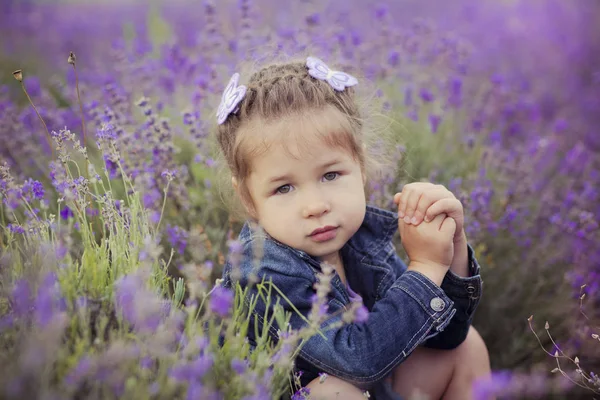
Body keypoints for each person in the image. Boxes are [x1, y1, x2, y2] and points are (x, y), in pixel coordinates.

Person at [216, 56, 491, 400]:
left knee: (465, 350)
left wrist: (451, 250)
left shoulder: (360, 241)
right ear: (249, 198)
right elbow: (359, 363)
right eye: (284, 188)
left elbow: (445, 336)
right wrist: (425, 268)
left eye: (330, 175)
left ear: (359, 167)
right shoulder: (265, 274)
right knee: (332, 393)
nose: (316, 206)